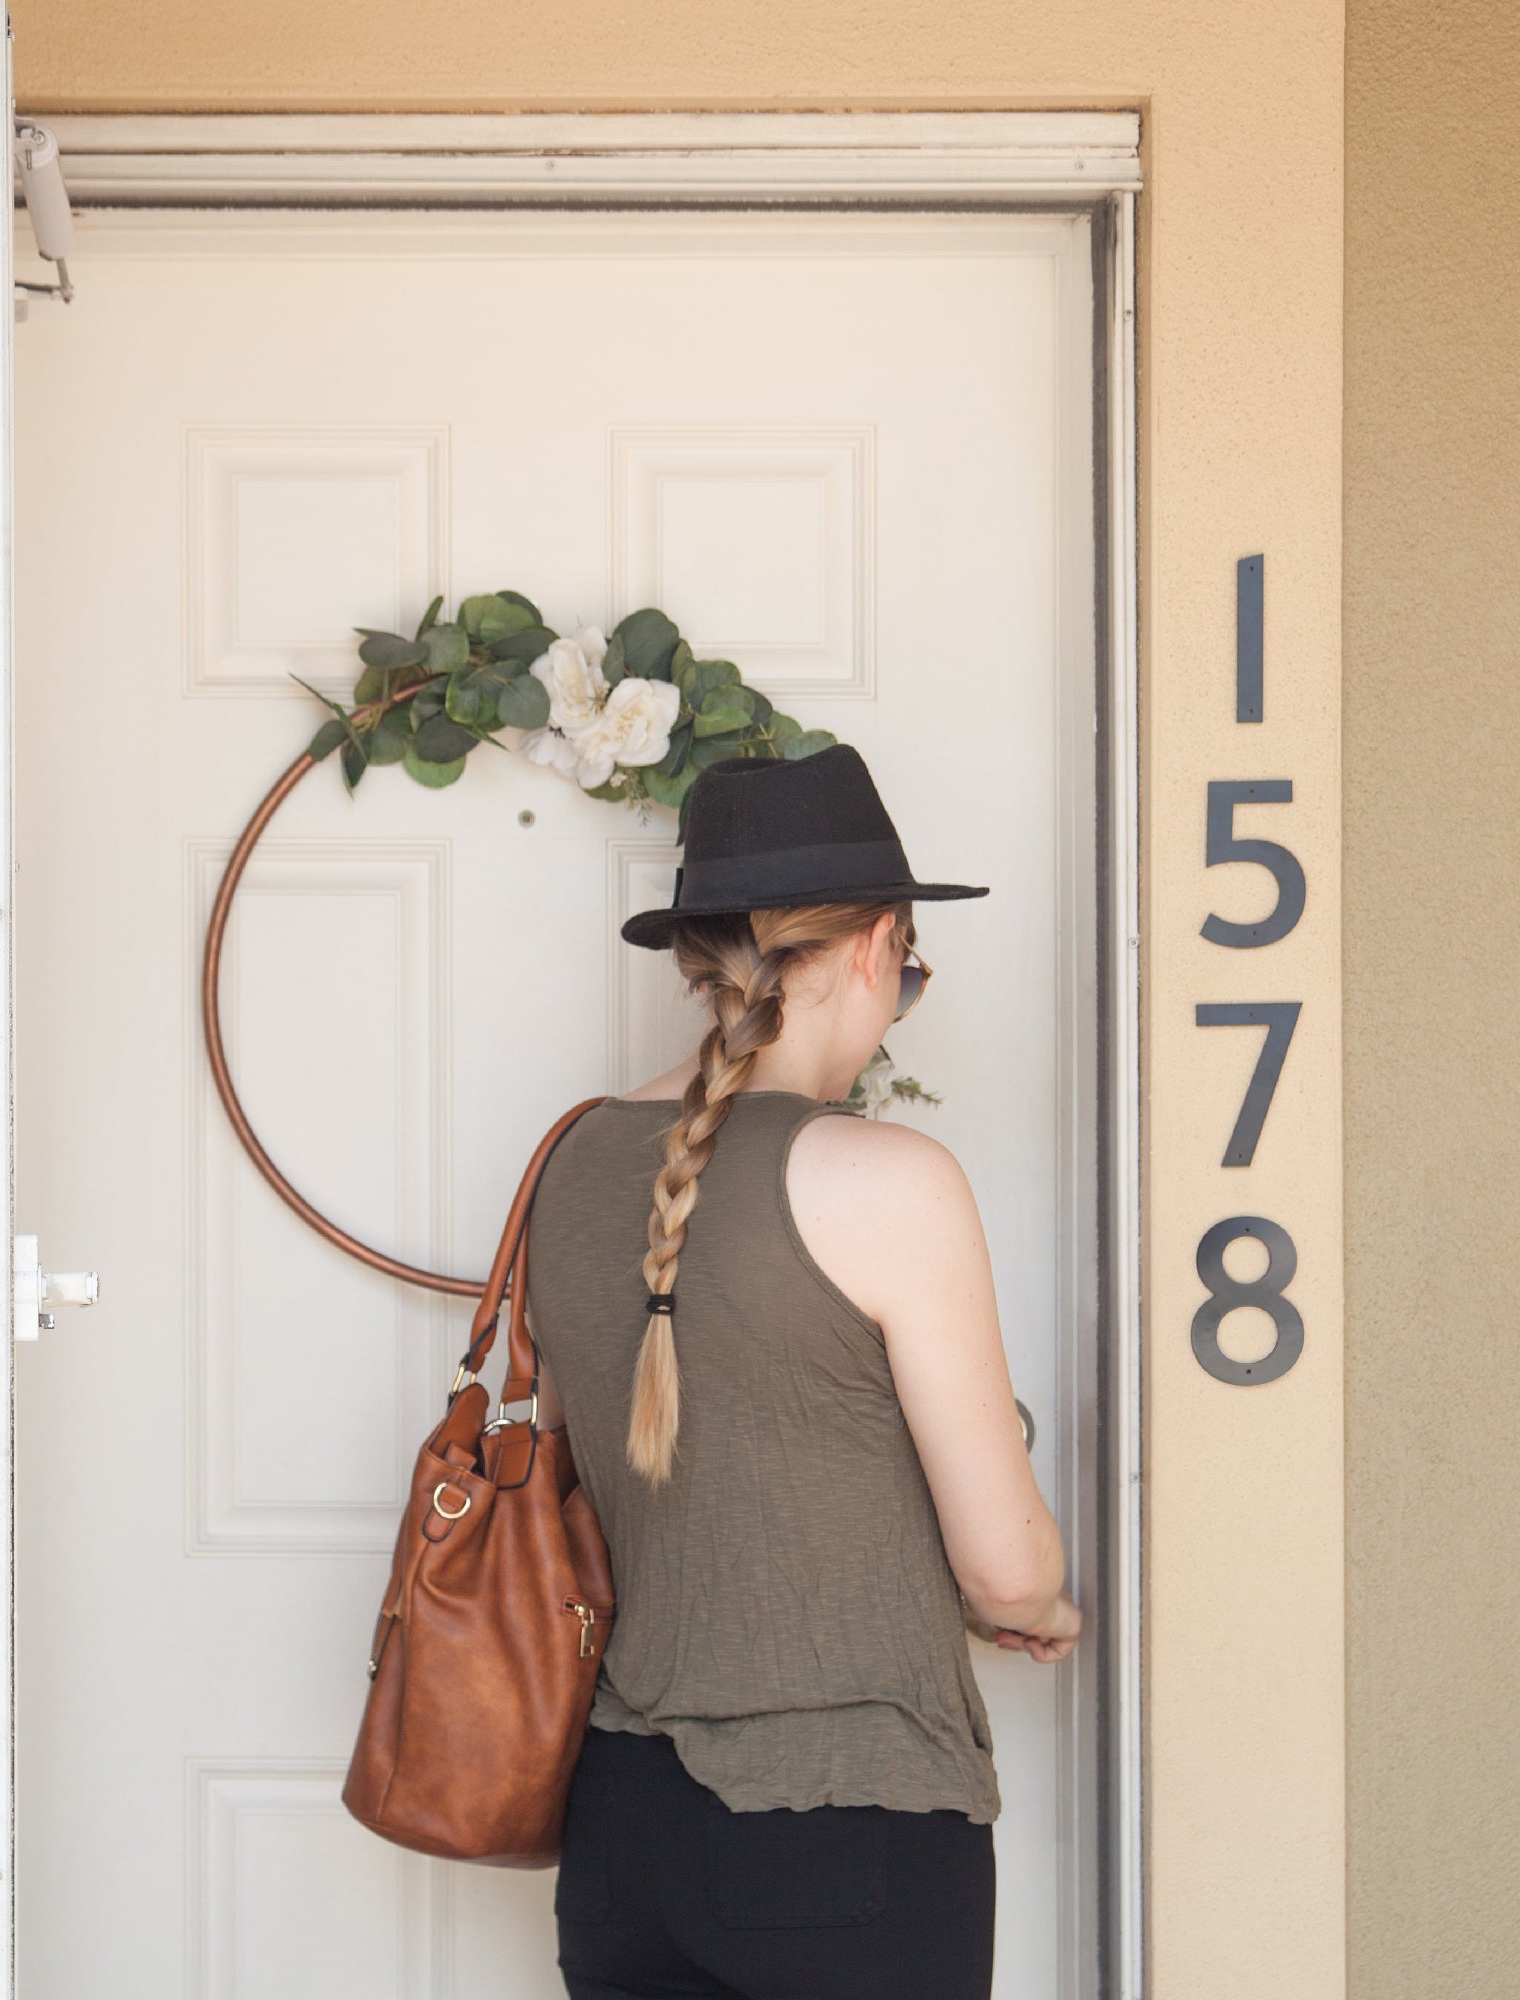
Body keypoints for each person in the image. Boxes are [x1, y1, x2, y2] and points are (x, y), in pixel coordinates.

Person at [525, 744, 1082, 2000]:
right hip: (844, 1832)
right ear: (880, 946)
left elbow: (594, 1471)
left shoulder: (568, 1166)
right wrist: (1041, 1606)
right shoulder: (889, 1182)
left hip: (618, 1835)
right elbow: (1005, 1566)